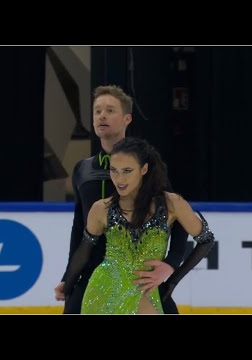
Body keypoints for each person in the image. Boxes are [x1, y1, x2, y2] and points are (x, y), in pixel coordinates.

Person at [55, 85, 188, 314]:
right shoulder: (83, 170)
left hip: (137, 277)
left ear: (127, 118)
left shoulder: (147, 167)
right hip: (91, 277)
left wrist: (171, 264)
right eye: (97, 111)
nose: (101, 116)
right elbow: (79, 228)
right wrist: (69, 277)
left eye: (110, 110)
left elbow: (179, 220)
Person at [62, 137, 215, 314]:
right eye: (114, 170)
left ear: (144, 169)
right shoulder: (101, 208)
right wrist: (67, 287)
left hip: (145, 290)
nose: (119, 179)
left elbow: (206, 240)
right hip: (103, 291)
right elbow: (82, 253)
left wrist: (172, 279)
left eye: (127, 171)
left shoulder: (171, 204)